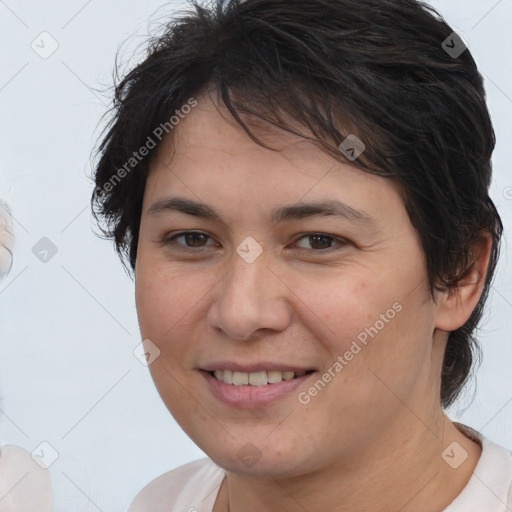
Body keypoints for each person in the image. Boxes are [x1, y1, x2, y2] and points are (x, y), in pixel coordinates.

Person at [91, 0, 512, 510]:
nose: (241, 313)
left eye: (318, 241)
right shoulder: (161, 502)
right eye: (193, 239)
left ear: (458, 272)